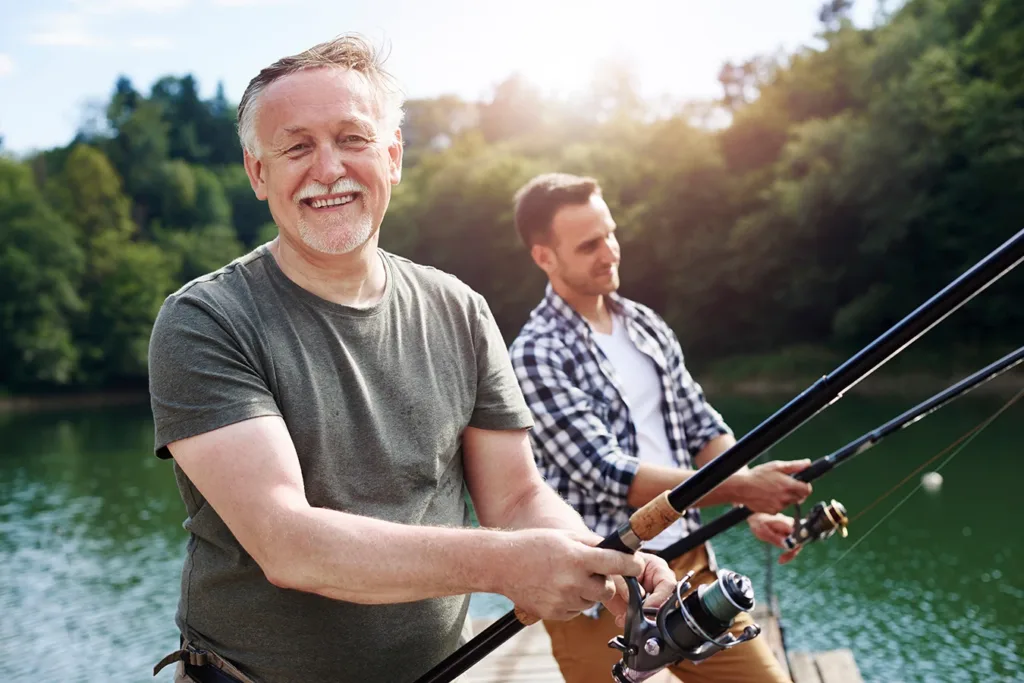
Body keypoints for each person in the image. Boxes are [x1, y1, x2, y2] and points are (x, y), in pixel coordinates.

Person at [147, 37, 676, 683]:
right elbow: (289, 544)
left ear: (392, 156)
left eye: (352, 138)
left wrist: (597, 557)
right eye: (296, 146)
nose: (328, 167)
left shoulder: (460, 309)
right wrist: (510, 564)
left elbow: (515, 497)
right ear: (258, 174)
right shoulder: (204, 321)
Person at [508, 172, 815, 683]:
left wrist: (747, 503)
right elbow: (608, 473)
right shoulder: (536, 354)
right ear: (545, 257)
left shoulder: (646, 325)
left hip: (688, 565)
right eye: (588, 245)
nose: (609, 252)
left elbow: (700, 425)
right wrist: (743, 489)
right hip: (597, 587)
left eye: (609, 234)